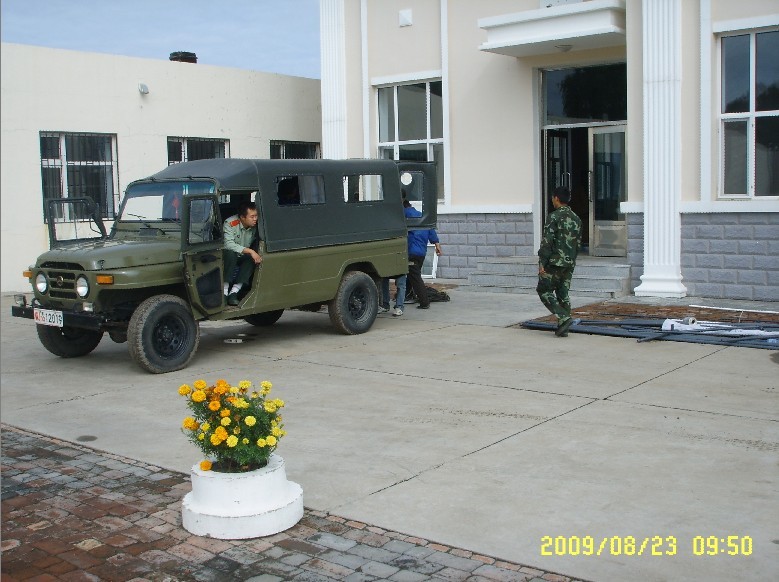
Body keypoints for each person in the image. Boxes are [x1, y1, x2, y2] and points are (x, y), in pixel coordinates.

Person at [537, 186, 582, 337]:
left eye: (552, 198)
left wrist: (542, 262)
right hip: (569, 262)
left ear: (556, 198)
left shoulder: (554, 217)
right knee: (563, 293)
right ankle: (564, 328)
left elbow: (547, 242)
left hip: (554, 262)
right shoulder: (576, 218)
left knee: (544, 290)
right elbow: (578, 243)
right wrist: (572, 260)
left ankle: (563, 317)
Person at [404, 195, 442, 310]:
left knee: (415, 277)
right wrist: (437, 244)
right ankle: (408, 296)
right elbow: (431, 230)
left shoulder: (403, 214)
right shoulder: (421, 215)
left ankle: (424, 302)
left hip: (412, 252)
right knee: (411, 274)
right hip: (421, 253)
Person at [223, 201, 262, 306]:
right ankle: (224, 292)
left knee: (252, 259)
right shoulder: (230, 223)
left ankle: (234, 292)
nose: (255, 219)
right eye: (252, 216)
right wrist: (251, 251)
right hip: (229, 256)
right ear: (242, 217)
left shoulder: (257, 226)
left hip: (242, 256)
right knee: (231, 254)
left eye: (256, 216)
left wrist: (252, 253)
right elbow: (228, 244)